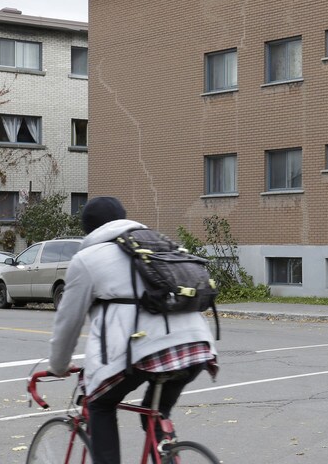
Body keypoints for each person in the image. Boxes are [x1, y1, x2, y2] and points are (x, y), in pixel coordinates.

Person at [48, 196, 218, 464]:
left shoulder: (87, 258)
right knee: (155, 412)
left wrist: (58, 366)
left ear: (88, 229)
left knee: (100, 405)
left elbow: (68, 322)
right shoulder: (161, 243)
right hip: (197, 345)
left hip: (142, 352)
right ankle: (167, 453)